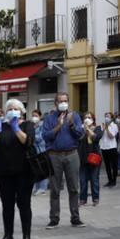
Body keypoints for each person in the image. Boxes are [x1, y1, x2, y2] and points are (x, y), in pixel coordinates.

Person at [0, 98, 34, 239]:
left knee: (24, 204)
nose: (12, 111)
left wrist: (16, 129)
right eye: (10, 109)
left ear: (21, 112)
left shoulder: (28, 125)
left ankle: (26, 237)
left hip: (23, 171)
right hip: (4, 171)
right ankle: (8, 236)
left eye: (16, 109)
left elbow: (27, 142)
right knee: (7, 205)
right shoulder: (1, 126)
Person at [41, 92, 85, 227]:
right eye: (60, 101)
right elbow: (45, 136)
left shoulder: (74, 116)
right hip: (54, 155)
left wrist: (71, 125)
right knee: (54, 189)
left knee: (74, 188)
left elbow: (80, 134)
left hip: (71, 154)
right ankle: (54, 218)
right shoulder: (49, 118)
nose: (63, 103)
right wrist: (58, 126)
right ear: (56, 103)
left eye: (65, 101)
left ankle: (75, 217)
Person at [78, 112, 102, 207]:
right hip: (83, 157)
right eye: (86, 117)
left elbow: (96, 138)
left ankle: (95, 198)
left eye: (89, 117)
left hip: (94, 157)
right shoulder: (80, 129)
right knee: (83, 180)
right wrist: (84, 129)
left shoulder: (98, 128)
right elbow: (79, 139)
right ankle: (83, 199)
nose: (87, 119)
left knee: (94, 179)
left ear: (93, 119)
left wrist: (88, 129)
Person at [101, 111, 120, 187]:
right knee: (107, 165)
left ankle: (114, 180)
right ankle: (109, 180)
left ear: (111, 118)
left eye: (108, 116)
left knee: (114, 165)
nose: (106, 118)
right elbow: (100, 135)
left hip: (112, 147)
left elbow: (111, 136)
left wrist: (107, 128)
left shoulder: (114, 126)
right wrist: (103, 128)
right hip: (104, 147)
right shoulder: (103, 125)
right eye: (106, 116)